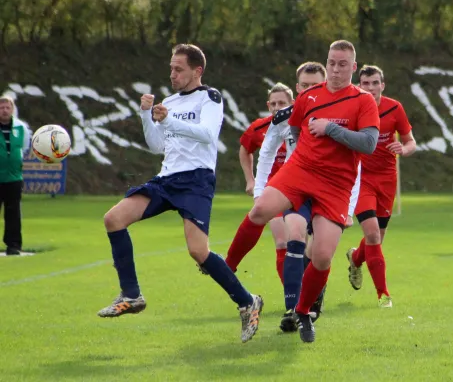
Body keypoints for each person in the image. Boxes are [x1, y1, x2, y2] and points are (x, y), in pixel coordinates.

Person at [97, 44, 263, 344]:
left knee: (198, 252)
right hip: (166, 179)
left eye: (179, 69)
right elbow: (156, 146)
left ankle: (247, 300)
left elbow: (208, 134)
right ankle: (132, 294)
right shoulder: (169, 101)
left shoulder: (210, 97)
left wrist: (169, 119)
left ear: (197, 71)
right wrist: (147, 115)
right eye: (171, 68)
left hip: (196, 180)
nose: (172, 74)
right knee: (114, 219)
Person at [248, 39, 380, 343]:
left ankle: (307, 308)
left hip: (333, 188)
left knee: (320, 254)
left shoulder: (357, 102)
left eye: (342, 64)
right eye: (331, 62)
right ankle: (288, 307)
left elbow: (364, 152)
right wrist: (259, 186)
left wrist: (331, 130)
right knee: (290, 236)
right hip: (298, 183)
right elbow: (274, 146)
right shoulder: (298, 108)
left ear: (352, 67)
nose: (335, 69)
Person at [346, 65, 416, 308]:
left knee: (378, 237)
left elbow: (410, 142)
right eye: (366, 84)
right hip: (360, 178)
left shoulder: (395, 108)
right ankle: (383, 294)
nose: (371, 88)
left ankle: (355, 259)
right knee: (373, 234)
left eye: (375, 83)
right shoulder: (352, 107)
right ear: (359, 86)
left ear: (382, 85)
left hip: (387, 180)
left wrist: (403, 149)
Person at [232, 83, 293, 283]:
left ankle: (309, 294)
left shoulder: (299, 128)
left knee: (302, 245)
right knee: (282, 242)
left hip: (299, 190)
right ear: (268, 105)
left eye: (282, 103)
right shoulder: (260, 127)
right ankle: (291, 296)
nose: (277, 107)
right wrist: (251, 180)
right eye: (273, 103)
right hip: (272, 193)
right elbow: (244, 149)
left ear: (292, 103)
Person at [0, 96, 30, 256]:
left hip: (14, 177)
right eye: (1, 107)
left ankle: (13, 245)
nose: (4, 110)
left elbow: (24, 147)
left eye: (7, 107)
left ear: (12, 109)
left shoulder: (20, 127)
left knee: (13, 213)